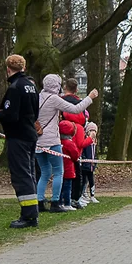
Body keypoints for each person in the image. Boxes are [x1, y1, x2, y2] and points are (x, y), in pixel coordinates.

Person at [36, 74, 96, 212]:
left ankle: (39, 201)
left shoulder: (38, 97)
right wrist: (90, 98)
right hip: (52, 140)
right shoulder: (54, 99)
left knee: (45, 172)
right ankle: (55, 202)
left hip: (38, 140)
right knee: (58, 172)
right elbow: (76, 109)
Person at [0, 54, 41, 228]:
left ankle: (29, 216)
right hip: (30, 134)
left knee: (21, 175)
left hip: (18, 136)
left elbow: (11, 115)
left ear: (8, 69)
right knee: (29, 173)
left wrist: (0, 114)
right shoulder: (31, 86)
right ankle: (32, 213)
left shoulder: (15, 88)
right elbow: (36, 113)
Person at [58, 120, 80, 210]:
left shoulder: (58, 142)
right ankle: (67, 203)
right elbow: (75, 155)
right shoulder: (69, 143)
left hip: (59, 169)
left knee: (60, 187)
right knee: (67, 188)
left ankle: (59, 202)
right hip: (69, 170)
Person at [82, 122, 99, 202]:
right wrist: (86, 162)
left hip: (92, 167)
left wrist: (95, 162)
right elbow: (83, 153)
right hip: (85, 166)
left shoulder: (94, 142)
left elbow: (95, 154)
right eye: (91, 130)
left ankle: (92, 195)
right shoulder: (85, 141)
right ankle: (83, 194)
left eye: (94, 131)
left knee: (91, 180)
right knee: (84, 181)